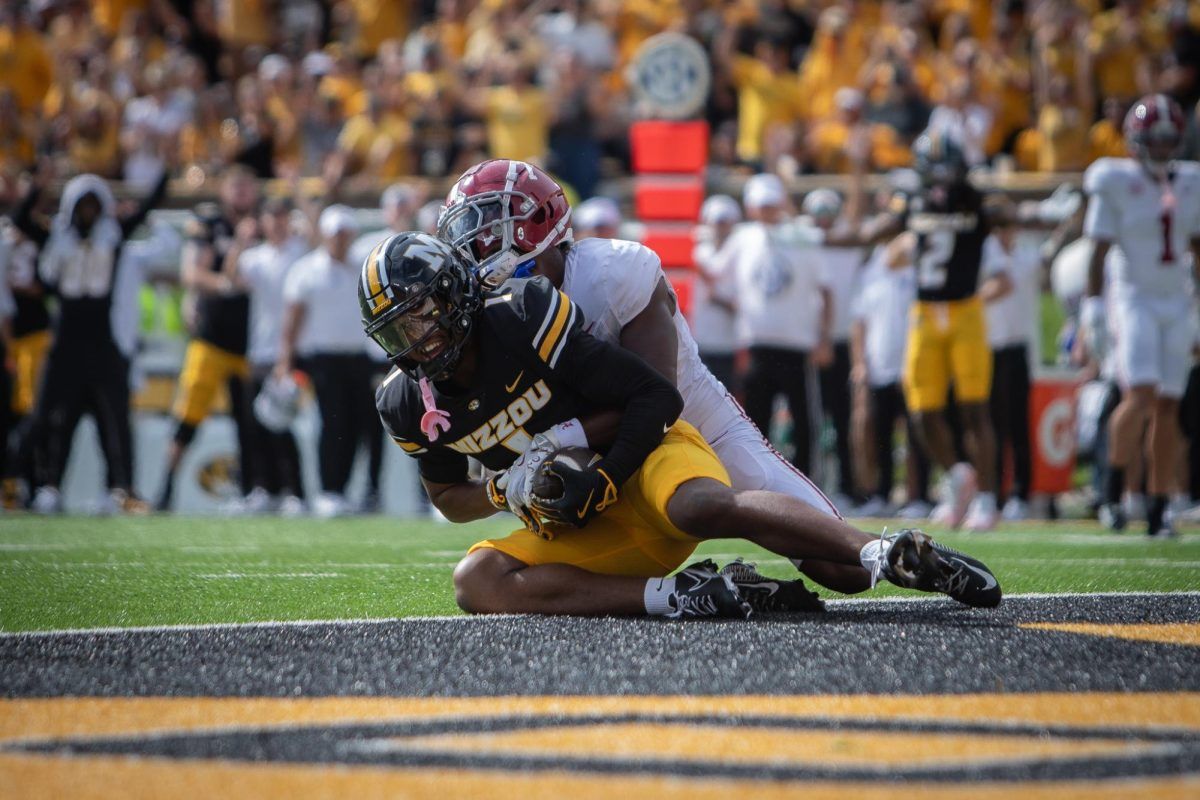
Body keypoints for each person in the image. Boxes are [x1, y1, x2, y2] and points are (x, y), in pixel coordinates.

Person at [365, 231, 1002, 618]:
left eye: (421, 315)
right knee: (475, 580)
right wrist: (503, 491)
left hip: (644, 457)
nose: (415, 340)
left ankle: (882, 551)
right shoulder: (403, 399)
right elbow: (449, 498)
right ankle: (682, 597)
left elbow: (652, 395)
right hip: (584, 518)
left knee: (700, 505)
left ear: (453, 293)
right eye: (397, 331)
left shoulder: (523, 314)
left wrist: (585, 458)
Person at [853, 131, 1018, 531]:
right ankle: (959, 476)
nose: (943, 180)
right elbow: (878, 237)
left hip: (964, 311)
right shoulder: (911, 204)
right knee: (921, 409)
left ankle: (987, 500)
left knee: (974, 409)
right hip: (925, 314)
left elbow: (1010, 224)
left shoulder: (976, 202)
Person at [10, 169, 167, 513]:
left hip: (101, 341)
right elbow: (21, 218)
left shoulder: (112, 236)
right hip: (64, 342)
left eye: (95, 206)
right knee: (43, 416)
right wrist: (38, 184)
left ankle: (123, 488)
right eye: (83, 205)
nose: (89, 213)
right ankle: (20, 481)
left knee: (117, 419)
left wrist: (165, 169)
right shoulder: (57, 238)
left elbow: (148, 207)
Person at [1080, 94, 1200, 537]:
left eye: (1170, 140)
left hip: (1177, 299)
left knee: (1169, 404)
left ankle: (1158, 504)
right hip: (1134, 298)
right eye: (1157, 140)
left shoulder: (1190, 182)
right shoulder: (1114, 179)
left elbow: (1198, 250)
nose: (1164, 149)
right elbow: (1098, 252)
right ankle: (1110, 491)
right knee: (1140, 394)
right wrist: (1093, 310)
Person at [157, 165, 260, 511]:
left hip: (251, 342)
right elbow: (191, 273)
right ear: (223, 189)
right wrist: (225, 284)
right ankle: (164, 490)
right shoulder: (210, 223)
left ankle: (251, 492)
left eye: (248, 186)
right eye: (236, 185)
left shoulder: (263, 223)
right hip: (212, 338)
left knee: (250, 424)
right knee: (188, 417)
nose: (243, 192)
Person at [719, 173, 833, 481]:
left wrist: (823, 338)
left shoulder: (803, 237)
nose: (768, 211)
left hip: (796, 345)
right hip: (756, 344)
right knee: (755, 423)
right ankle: (759, 482)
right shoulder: (743, 238)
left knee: (805, 422)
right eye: (762, 205)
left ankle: (810, 483)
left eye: (772, 204)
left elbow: (825, 289)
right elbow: (716, 275)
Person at [279, 205, 382, 517]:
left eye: (344, 234)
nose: (340, 240)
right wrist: (285, 361)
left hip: (359, 358)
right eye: (335, 235)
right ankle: (328, 489)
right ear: (325, 236)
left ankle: (342, 490)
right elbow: (292, 322)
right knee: (331, 424)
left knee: (357, 427)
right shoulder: (307, 270)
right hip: (323, 359)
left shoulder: (362, 268)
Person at [227, 197, 310, 515]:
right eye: (271, 217)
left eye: (281, 216)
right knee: (256, 425)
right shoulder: (255, 257)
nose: (276, 223)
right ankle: (264, 488)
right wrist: (239, 241)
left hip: (290, 352)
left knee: (284, 424)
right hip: (259, 350)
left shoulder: (298, 251)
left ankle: (295, 491)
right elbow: (231, 278)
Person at [802, 188, 867, 508]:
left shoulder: (846, 244)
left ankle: (844, 486)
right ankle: (812, 485)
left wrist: (857, 168)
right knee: (810, 420)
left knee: (842, 420)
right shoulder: (802, 242)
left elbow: (855, 215)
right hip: (808, 342)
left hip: (842, 341)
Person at [690, 195, 741, 390]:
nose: (720, 227)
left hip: (730, 342)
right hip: (701, 339)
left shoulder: (740, 251)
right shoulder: (699, 251)